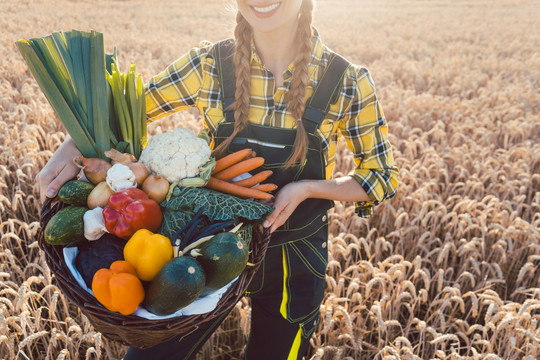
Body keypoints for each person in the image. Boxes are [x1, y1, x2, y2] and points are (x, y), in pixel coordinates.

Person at [37, 0, 399, 358]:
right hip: (205, 245)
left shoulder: (345, 82)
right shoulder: (208, 65)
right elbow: (123, 112)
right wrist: (74, 145)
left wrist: (306, 189)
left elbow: (381, 175)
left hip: (294, 260)